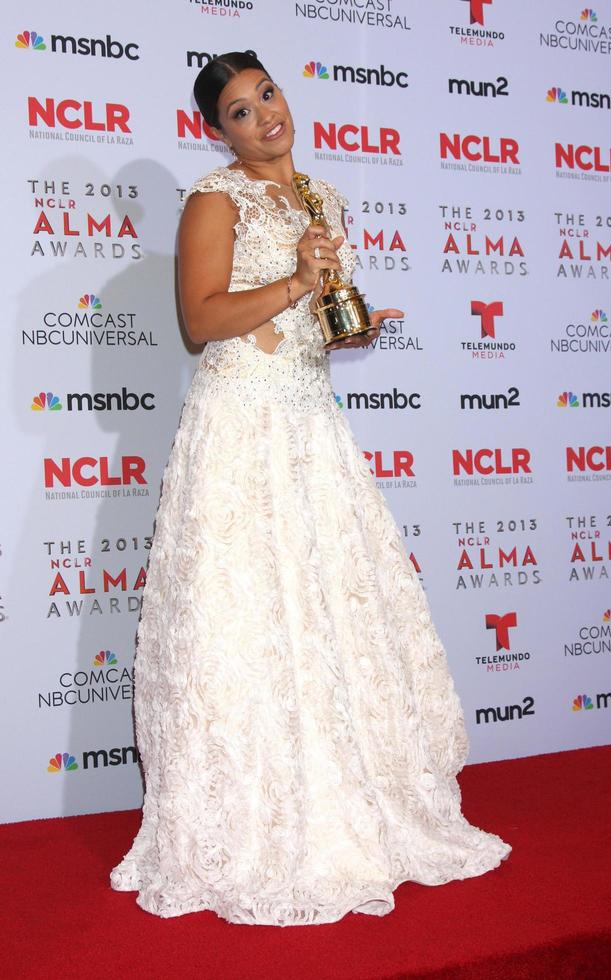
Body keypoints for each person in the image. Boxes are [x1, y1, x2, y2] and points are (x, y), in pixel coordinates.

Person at [110, 50, 511, 926]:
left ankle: (351, 803)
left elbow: (310, 324)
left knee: (332, 612)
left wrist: (347, 318)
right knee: (249, 616)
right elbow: (202, 317)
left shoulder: (323, 198)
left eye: (268, 95)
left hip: (310, 423)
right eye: (241, 111)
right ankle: (246, 826)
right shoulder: (214, 198)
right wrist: (295, 279)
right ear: (216, 130)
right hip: (240, 430)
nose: (264, 117)